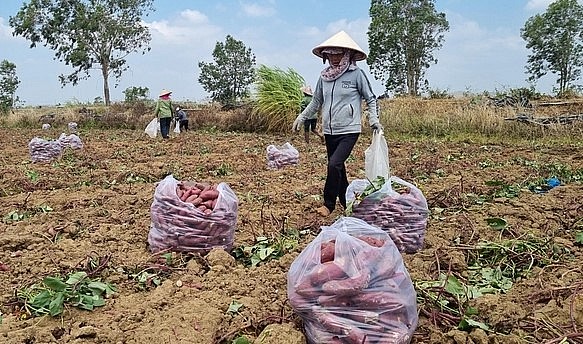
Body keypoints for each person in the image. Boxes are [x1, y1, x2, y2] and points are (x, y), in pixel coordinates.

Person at [292, 30, 383, 217]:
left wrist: (373, 118)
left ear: (347, 54)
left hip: (349, 130)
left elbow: (371, 98)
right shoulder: (324, 77)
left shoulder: (356, 74)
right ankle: (347, 201)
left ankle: (328, 204)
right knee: (338, 167)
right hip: (330, 131)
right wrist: (302, 116)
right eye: (330, 54)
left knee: (334, 164)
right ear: (325, 56)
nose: (334, 58)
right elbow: (316, 101)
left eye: (338, 54)